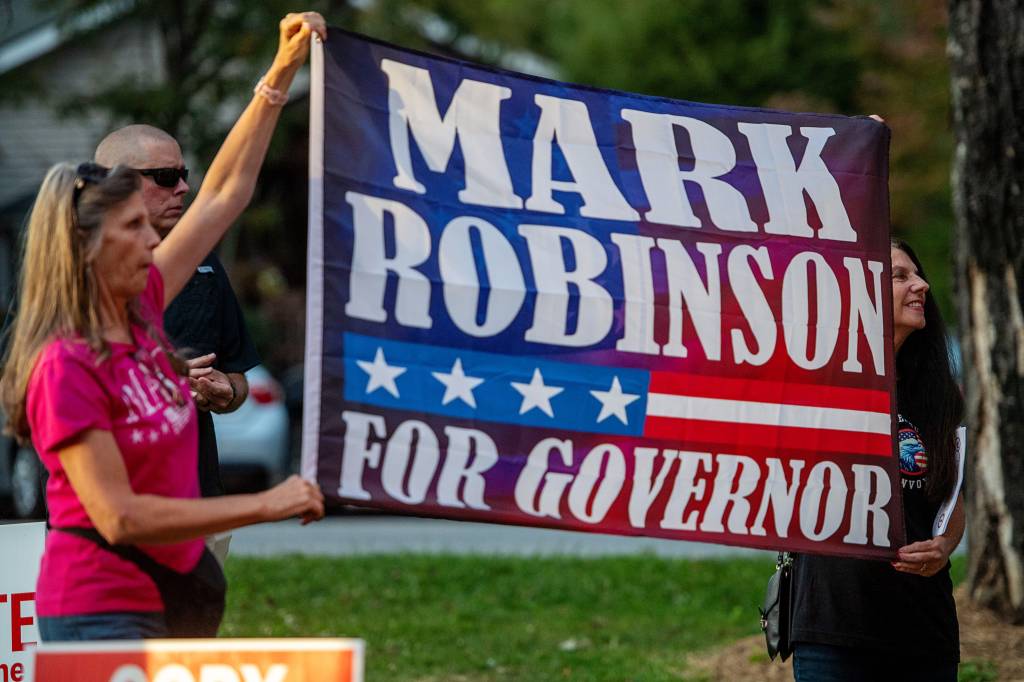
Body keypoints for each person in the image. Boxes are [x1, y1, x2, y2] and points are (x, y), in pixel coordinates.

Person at [0, 11, 328, 641]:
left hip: (180, 593)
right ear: (88, 248)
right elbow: (119, 518)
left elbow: (224, 196)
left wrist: (281, 71)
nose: (153, 238)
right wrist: (270, 502)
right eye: (134, 229)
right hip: (105, 610)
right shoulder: (65, 365)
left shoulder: (143, 306)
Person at [789, 239, 966, 681]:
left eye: (918, 274)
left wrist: (944, 547)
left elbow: (951, 501)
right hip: (832, 627)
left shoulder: (941, 395)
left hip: (923, 629)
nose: (922, 285)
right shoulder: (821, 378)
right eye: (900, 276)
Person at [95, 124, 261, 500]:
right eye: (167, 177)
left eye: (183, 176)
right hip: (103, 495)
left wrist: (223, 391)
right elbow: (25, 374)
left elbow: (237, 378)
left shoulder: (203, 264)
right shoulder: (66, 266)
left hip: (193, 491)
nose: (183, 188)